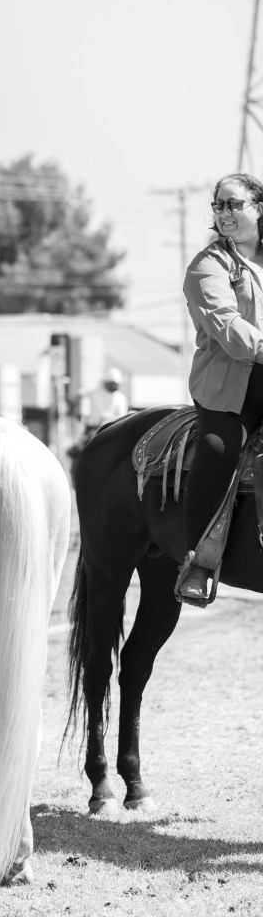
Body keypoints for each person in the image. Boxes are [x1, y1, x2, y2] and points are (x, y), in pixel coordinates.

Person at [177, 172, 263, 605]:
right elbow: (228, 329)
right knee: (217, 446)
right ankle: (199, 560)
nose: (224, 213)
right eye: (219, 205)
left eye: (234, 204)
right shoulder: (208, 266)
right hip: (230, 389)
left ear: (258, 208)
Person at [79, 367, 129, 435]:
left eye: (115, 384)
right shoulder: (94, 392)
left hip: (112, 430)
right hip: (92, 429)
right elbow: (80, 394)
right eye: (111, 383)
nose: (114, 385)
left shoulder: (121, 398)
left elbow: (122, 416)